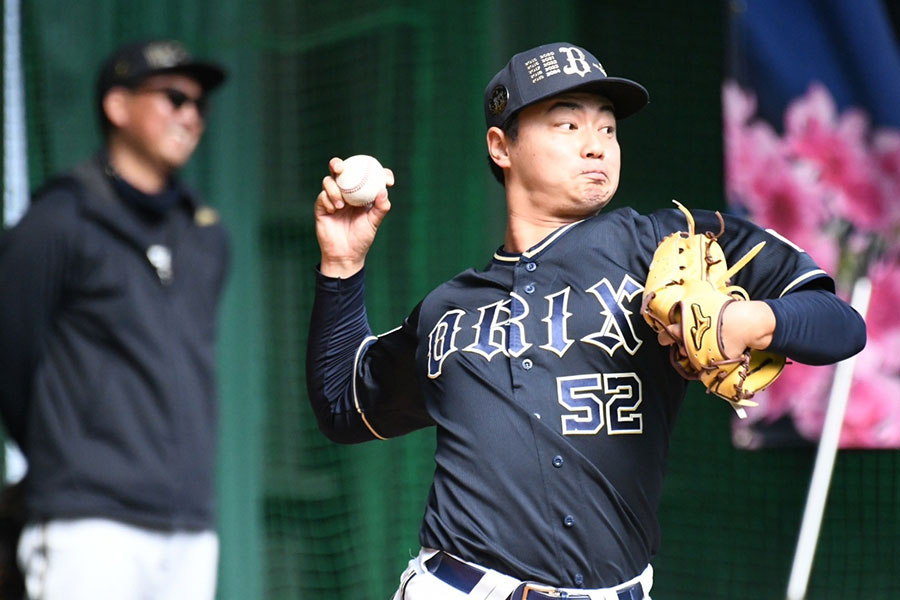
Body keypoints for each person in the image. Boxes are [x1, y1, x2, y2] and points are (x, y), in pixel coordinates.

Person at [306, 42, 866, 600]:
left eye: (607, 129)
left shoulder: (663, 243)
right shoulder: (448, 310)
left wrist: (748, 320)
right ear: (502, 146)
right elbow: (343, 404)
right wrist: (341, 264)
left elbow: (840, 324)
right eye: (568, 125)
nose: (596, 146)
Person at [0, 39, 229, 600]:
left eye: (200, 104)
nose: (190, 116)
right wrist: (70, 453)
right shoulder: (57, 221)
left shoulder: (206, 233)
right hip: (89, 522)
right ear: (118, 107)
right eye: (174, 98)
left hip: (188, 523)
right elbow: (11, 359)